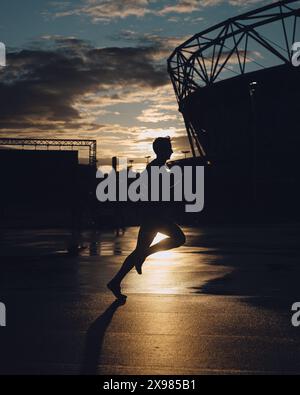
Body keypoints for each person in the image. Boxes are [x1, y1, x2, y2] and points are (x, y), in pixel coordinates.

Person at [107, 137, 186, 299]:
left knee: (139, 250)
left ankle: (116, 281)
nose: (172, 151)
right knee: (178, 239)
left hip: (153, 216)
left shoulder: (157, 167)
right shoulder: (156, 167)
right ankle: (144, 255)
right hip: (156, 217)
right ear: (162, 150)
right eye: (169, 148)